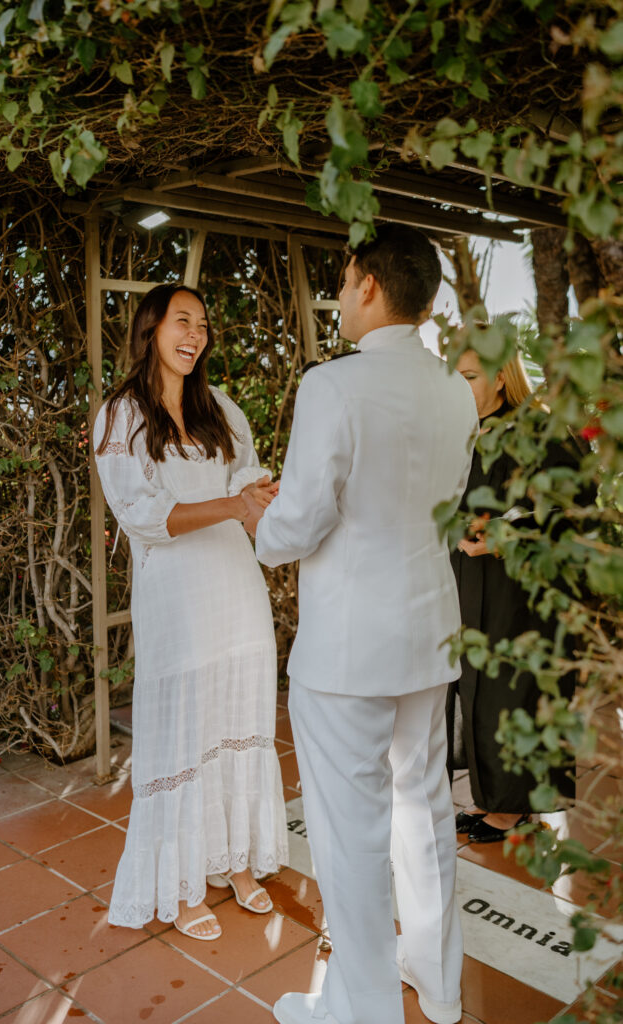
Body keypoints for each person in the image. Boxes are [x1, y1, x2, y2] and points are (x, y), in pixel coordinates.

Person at [242, 225, 478, 1024]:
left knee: (350, 835)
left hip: (346, 650)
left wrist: (257, 523)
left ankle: (363, 1011)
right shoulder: (455, 387)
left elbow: (301, 521)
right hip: (428, 633)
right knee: (425, 812)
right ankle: (440, 992)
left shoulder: (331, 387)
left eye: (344, 282)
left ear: (370, 285)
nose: (339, 296)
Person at [93, 283, 288, 940]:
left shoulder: (221, 408)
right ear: (151, 328)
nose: (194, 334)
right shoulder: (120, 416)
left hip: (236, 589)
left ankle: (233, 862)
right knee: (185, 732)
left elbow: (246, 482)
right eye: (182, 321)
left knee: (237, 719)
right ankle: (180, 883)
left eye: (202, 324)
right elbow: (142, 517)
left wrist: (262, 496)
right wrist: (234, 506)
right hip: (177, 600)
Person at [448, 349, 587, 843]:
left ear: (502, 378)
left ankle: (512, 809)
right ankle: (496, 800)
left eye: (468, 375)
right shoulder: (463, 432)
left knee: (514, 691)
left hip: (521, 587)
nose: (456, 383)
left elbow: (576, 508)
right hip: (469, 578)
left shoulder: (538, 431)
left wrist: (509, 536)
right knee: (479, 691)